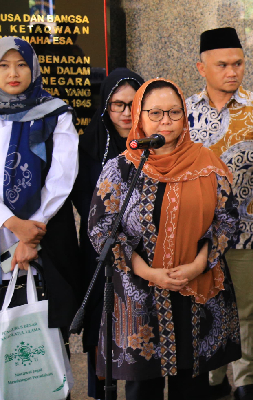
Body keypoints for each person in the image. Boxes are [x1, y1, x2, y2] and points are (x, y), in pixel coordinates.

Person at [88, 78, 241, 400]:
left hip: (195, 289)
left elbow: (228, 220)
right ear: (139, 115)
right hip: (139, 294)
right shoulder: (120, 169)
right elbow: (102, 228)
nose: (166, 122)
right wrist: (148, 272)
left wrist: (199, 264)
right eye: (155, 113)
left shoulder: (208, 164)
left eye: (174, 112)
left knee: (193, 385)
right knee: (143, 387)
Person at [185, 27, 253, 400]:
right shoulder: (184, 113)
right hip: (197, 235)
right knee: (204, 306)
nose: (233, 71)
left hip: (248, 231)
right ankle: (212, 379)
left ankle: (247, 381)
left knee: (249, 308)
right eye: (223, 64)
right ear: (202, 67)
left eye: (239, 63)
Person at [0, 35, 80, 372]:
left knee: (45, 331)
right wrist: (10, 221)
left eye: (21, 64)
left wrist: (30, 231)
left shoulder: (55, 112)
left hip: (44, 235)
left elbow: (62, 176)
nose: (13, 73)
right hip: (5, 229)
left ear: (33, 68)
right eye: (3, 65)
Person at [71, 67, 145, 399]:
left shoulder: (155, 143)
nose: (127, 113)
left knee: (139, 328)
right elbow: (84, 200)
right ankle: (101, 393)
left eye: (134, 104)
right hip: (99, 251)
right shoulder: (89, 147)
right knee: (102, 324)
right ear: (106, 106)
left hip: (145, 251)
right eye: (118, 105)